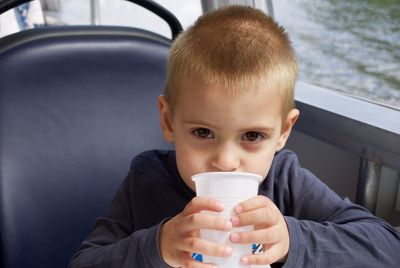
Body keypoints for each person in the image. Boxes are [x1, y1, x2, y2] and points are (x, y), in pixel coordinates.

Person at [69, 5, 400, 268]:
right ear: (168, 121)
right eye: (202, 132)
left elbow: (387, 247)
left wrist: (289, 239)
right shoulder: (145, 180)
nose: (225, 161)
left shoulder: (285, 180)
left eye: (252, 135)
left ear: (284, 131)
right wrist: (157, 247)